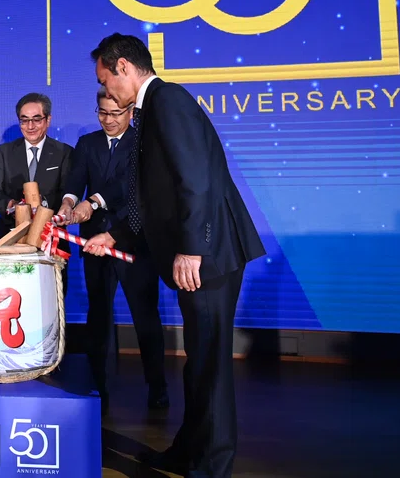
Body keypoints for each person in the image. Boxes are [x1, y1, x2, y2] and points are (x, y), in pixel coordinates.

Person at [84, 33, 265, 478]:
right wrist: (116, 236)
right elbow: (154, 198)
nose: (107, 91)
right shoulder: (153, 108)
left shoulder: (168, 100)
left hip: (209, 256)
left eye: (106, 81)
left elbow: (196, 180)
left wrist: (192, 248)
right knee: (198, 362)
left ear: (123, 67)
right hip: (200, 254)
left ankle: (211, 467)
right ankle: (189, 452)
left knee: (211, 365)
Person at [58, 88, 167, 416]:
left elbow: (125, 185)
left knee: (144, 316)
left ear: (130, 112)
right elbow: (75, 182)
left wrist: (92, 203)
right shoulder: (87, 143)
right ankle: (98, 385)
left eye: (115, 114)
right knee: (99, 315)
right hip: (95, 244)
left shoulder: (143, 143)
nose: (108, 120)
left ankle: (157, 386)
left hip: (134, 240)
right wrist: (68, 204)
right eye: (102, 112)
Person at [0, 93, 72, 293]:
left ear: (48, 120)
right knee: (10, 295)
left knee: (51, 296)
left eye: (36, 119)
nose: (30, 126)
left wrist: (43, 205)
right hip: (11, 236)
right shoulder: (5, 151)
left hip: (51, 237)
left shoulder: (64, 152)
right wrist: (12, 205)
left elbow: (69, 192)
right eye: (24, 120)